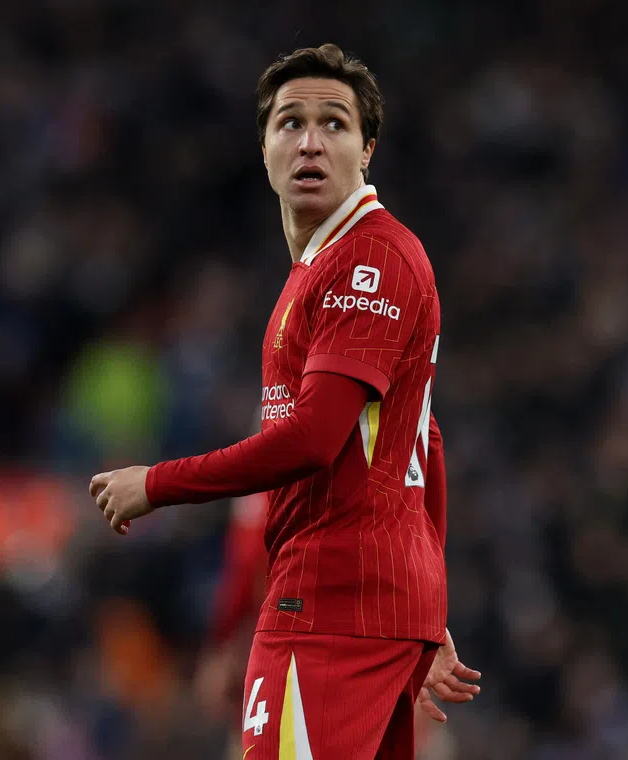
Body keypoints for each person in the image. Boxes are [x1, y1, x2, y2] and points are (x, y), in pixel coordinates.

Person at [89, 43, 480, 759]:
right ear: (264, 148)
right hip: (366, 599)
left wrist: (156, 483)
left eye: (334, 123)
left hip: (329, 602)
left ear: (368, 149)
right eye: (289, 122)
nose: (309, 140)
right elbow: (424, 440)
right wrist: (421, 600)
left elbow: (309, 441)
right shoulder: (322, 267)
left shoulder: (369, 257)